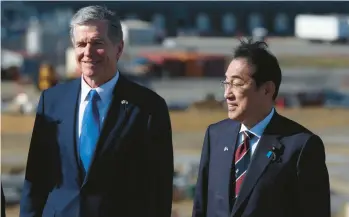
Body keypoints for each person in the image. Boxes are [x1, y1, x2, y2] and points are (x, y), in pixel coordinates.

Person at [20, 5, 173, 217]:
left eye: (97, 43)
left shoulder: (148, 107)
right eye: (81, 44)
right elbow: (35, 180)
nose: (88, 52)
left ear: (118, 49)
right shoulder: (52, 101)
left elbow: (159, 191)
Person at [192, 39, 330, 217]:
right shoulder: (216, 136)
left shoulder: (301, 146)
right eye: (226, 83)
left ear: (267, 89)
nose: (227, 94)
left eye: (237, 83)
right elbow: (200, 208)